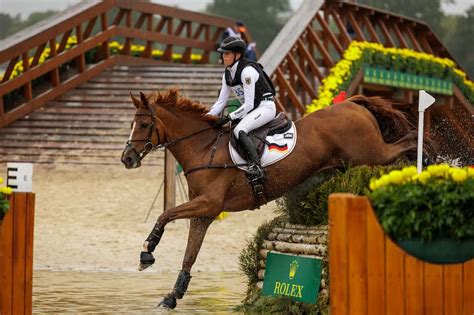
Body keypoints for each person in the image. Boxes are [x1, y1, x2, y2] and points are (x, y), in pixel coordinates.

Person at [208, 36, 276, 181]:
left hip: (265, 107)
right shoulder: (227, 73)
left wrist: (229, 117)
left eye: (226, 53)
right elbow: (220, 102)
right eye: (223, 53)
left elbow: (249, 104)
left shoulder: (247, 71)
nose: (223, 56)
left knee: (240, 130)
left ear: (237, 55)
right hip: (251, 110)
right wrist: (206, 117)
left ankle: (256, 167)